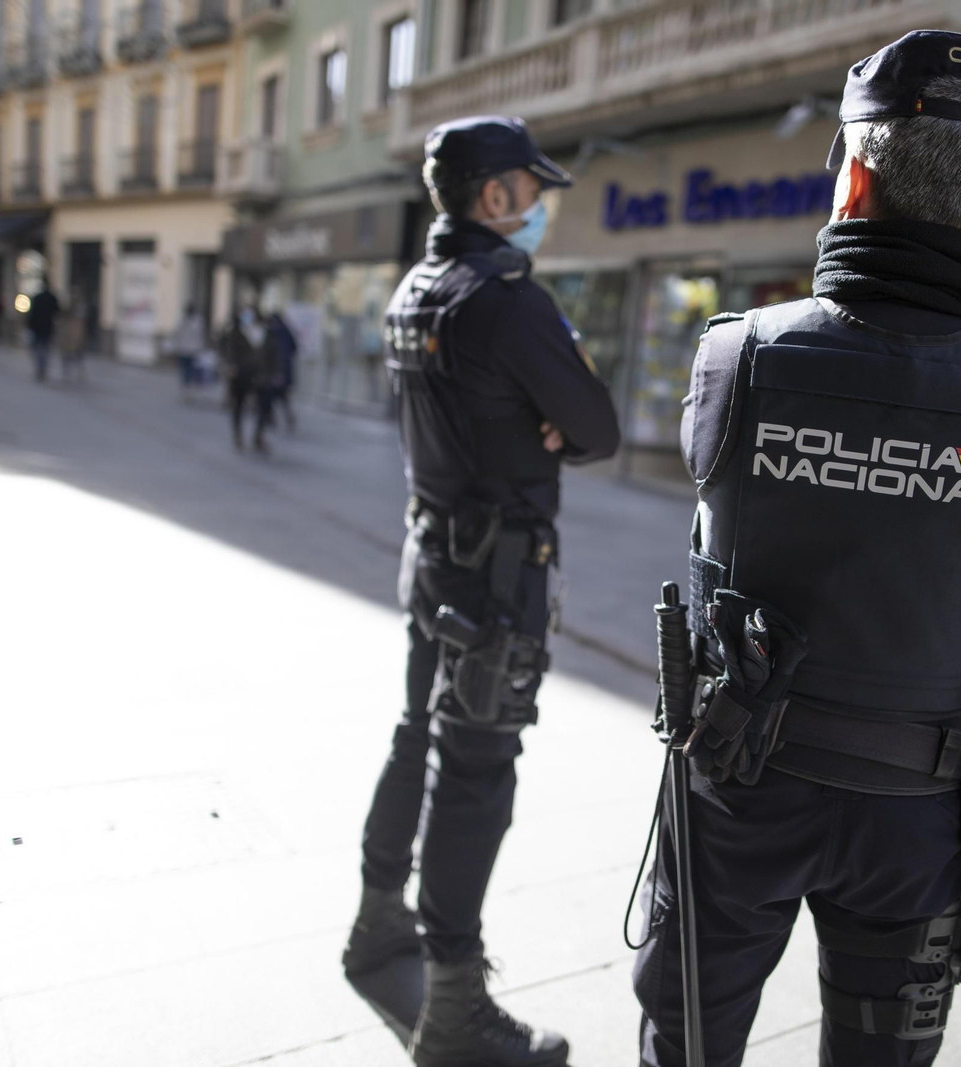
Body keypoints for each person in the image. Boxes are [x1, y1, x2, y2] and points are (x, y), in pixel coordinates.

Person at [633, 30, 961, 1067]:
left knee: (686, 1044)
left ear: (852, 177)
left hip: (739, 789)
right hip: (919, 815)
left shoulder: (737, 352)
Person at [342, 115, 620, 1067]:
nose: (540, 209)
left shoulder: (415, 290)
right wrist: (553, 421)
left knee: (415, 733)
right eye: (533, 193)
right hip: (497, 578)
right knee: (474, 774)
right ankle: (455, 1004)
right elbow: (596, 427)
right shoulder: (507, 302)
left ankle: (378, 920)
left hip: (432, 553)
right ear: (496, 195)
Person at [219, 309, 273, 452]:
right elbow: (228, 352)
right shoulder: (236, 333)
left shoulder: (266, 333)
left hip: (262, 376)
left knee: (264, 407)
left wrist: (275, 372)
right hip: (241, 376)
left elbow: (273, 353)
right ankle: (238, 435)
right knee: (238, 405)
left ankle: (258, 436)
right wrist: (231, 367)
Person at [264, 308, 298, 431]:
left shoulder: (272, 332)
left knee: (270, 395)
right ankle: (287, 417)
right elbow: (294, 348)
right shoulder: (286, 330)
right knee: (283, 396)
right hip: (284, 369)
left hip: (275, 370)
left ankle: (271, 417)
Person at [171, 302, 208, 401]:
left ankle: (187, 389)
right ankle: (186, 389)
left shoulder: (197, 320)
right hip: (184, 350)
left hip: (191, 350)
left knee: (189, 370)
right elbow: (177, 334)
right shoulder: (184, 320)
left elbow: (200, 336)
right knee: (185, 370)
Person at [25, 283, 61, 383]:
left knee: (37, 349)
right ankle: (43, 367)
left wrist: (30, 326)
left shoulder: (37, 298)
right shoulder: (52, 298)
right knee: (45, 349)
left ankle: (40, 367)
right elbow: (58, 311)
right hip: (47, 328)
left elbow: (32, 313)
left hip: (37, 328)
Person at [58, 292, 87, 383]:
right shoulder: (71, 317)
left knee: (74, 355)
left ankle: (73, 371)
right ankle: (70, 371)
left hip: (73, 339)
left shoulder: (77, 317)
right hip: (71, 339)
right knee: (71, 355)